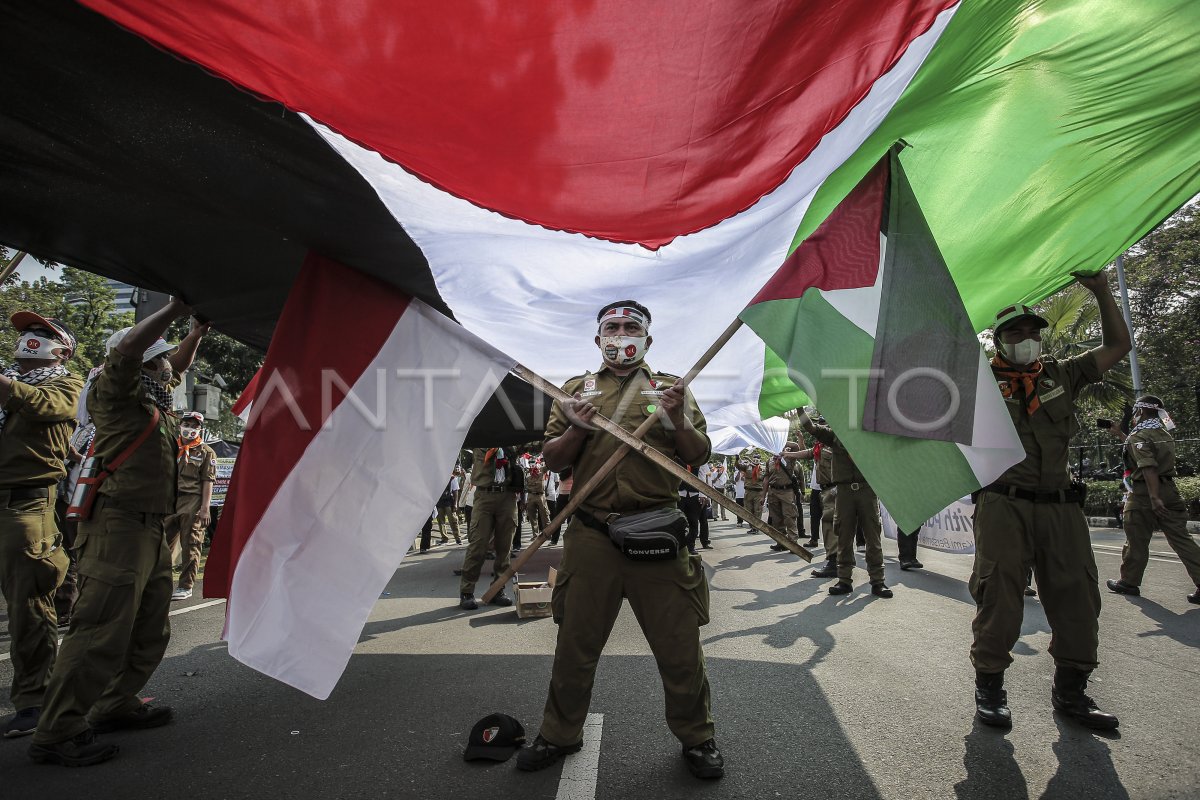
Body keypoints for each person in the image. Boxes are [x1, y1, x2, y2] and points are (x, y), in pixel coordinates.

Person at [516, 300, 723, 779]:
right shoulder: (571, 392)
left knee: (679, 647)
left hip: (658, 531)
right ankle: (559, 733)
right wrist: (576, 427)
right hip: (592, 535)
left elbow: (698, 454)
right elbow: (552, 459)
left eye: (632, 327)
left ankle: (698, 738)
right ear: (598, 339)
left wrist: (676, 420)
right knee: (575, 645)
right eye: (613, 327)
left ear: (648, 339)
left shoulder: (672, 389)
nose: (622, 334)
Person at [29, 298, 203, 766]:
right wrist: (173, 310)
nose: (171, 364)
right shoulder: (116, 391)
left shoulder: (156, 402)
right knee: (99, 633)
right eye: (161, 356)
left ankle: (113, 703)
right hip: (117, 529)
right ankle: (58, 730)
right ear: (145, 363)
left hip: (149, 531)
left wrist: (197, 330)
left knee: (149, 630)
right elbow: (128, 352)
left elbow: (174, 365)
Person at [969, 272, 1130, 732]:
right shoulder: (975, 380)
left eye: (1032, 332)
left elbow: (1119, 346)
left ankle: (1071, 692)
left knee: (1077, 596)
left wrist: (1101, 290)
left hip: (1061, 507)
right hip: (1004, 505)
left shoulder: (1060, 374)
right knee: (999, 595)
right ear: (998, 340)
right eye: (1016, 333)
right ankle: (990, 689)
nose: (1027, 339)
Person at [0, 312, 81, 738]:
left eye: (43, 335)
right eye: (27, 332)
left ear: (63, 349)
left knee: (29, 604)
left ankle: (34, 698)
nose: (31, 338)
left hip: (25, 505)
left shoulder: (67, 385)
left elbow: (34, 404)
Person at [1103, 397, 1200, 604]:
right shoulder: (1163, 433)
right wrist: (1121, 434)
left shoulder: (1140, 434)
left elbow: (1147, 466)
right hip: (1170, 490)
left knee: (1136, 538)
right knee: (1181, 539)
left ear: (1141, 412)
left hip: (1145, 493)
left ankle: (1129, 581)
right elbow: (1138, 450)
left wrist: (1154, 498)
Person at [799, 414, 892, 598]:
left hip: (867, 490)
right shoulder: (834, 435)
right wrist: (800, 409)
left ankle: (878, 582)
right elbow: (811, 427)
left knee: (873, 537)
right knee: (844, 536)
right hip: (844, 492)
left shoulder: (870, 435)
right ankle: (844, 581)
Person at [457, 447, 517, 610]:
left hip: (507, 496)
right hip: (484, 496)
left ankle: (498, 590)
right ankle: (467, 591)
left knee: (505, 548)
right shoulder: (479, 438)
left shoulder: (511, 440)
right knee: (478, 545)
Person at [166, 411, 216, 601]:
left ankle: (185, 585)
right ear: (180, 426)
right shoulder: (171, 447)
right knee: (162, 543)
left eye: (195, 426)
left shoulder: (206, 452)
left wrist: (205, 508)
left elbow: (207, 481)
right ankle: (160, 583)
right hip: (170, 499)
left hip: (192, 500)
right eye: (187, 425)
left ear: (200, 429)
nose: (190, 429)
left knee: (191, 543)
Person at [765, 442, 804, 552]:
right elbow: (766, 479)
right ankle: (781, 542)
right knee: (776, 519)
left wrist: (781, 440)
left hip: (786, 491)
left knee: (789, 517)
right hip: (773, 492)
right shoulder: (770, 461)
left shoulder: (790, 457)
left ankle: (793, 543)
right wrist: (763, 496)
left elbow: (796, 447)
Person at [524, 457, 550, 537]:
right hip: (531, 495)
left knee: (545, 515)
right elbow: (524, 485)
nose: (532, 463)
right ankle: (535, 534)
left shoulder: (541, 469)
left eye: (533, 462)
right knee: (532, 516)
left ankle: (548, 533)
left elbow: (549, 465)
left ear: (536, 462)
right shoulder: (526, 471)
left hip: (540, 495)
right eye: (530, 462)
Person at [435, 478, 462, 545]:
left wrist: (455, 504)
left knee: (453, 520)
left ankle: (457, 538)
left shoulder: (452, 478)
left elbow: (455, 491)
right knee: (441, 522)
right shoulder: (436, 478)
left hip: (449, 502)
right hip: (439, 502)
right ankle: (444, 538)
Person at [742, 455, 765, 531]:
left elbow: (762, 478)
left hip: (758, 492)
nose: (756, 459)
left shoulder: (763, 468)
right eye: (754, 458)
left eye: (758, 458)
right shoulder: (747, 467)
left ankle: (756, 528)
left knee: (757, 511)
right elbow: (739, 466)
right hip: (748, 491)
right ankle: (752, 526)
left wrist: (759, 469)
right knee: (748, 510)